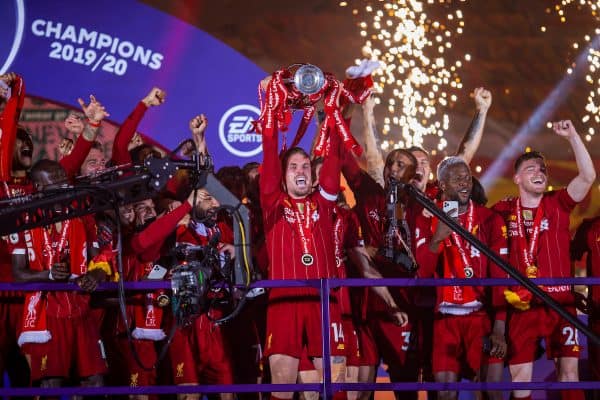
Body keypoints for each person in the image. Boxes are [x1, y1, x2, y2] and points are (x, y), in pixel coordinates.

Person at [492, 120, 596, 400]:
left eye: (542, 169)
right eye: (531, 169)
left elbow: (587, 177)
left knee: (569, 374)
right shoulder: (501, 210)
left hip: (561, 304)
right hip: (522, 306)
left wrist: (572, 136)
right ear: (517, 178)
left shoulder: (558, 203)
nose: (539, 172)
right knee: (521, 379)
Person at [260, 86, 347, 399]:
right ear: (283, 177)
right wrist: (270, 108)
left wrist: (334, 116)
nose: (301, 170)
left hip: (324, 298)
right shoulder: (272, 203)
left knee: (336, 384)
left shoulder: (324, 205)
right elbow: (269, 153)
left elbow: (333, 161)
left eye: (306, 166)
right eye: (293, 166)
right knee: (282, 387)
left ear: (312, 176)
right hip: (284, 299)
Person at [8, 159, 109, 390]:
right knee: (51, 383)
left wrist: (96, 275)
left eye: (63, 176)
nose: (64, 183)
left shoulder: (82, 213)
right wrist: (49, 275)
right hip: (47, 311)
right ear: (39, 187)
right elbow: (18, 274)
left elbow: (101, 258)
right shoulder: (22, 219)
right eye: (55, 179)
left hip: (81, 307)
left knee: (95, 382)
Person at [414, 156, 508, 400]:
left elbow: (501, 278)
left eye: (467, 177)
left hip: (482, 317)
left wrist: (499, 327)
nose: (465, 183)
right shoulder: (428, 218)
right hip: (444, 319)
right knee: (445, 394)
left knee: (491, 393)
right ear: (442, 185)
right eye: (457, 179)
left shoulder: (490, 219)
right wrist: (436, 239)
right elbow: (422, 273)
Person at [571, 216, 600, 400]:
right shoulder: (591, 227)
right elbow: (569, 254)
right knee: (597, 372)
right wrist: (571, 290)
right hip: (598, 312)